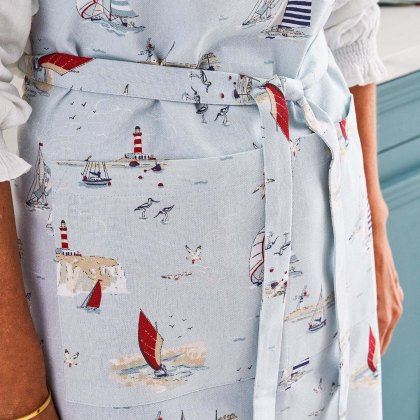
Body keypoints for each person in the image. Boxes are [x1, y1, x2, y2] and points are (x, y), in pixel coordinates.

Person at [0, 0, 404, 419]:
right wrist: (19, 399)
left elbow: (348, 21)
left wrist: (373, 226)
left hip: (327, 218)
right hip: (132, 240)